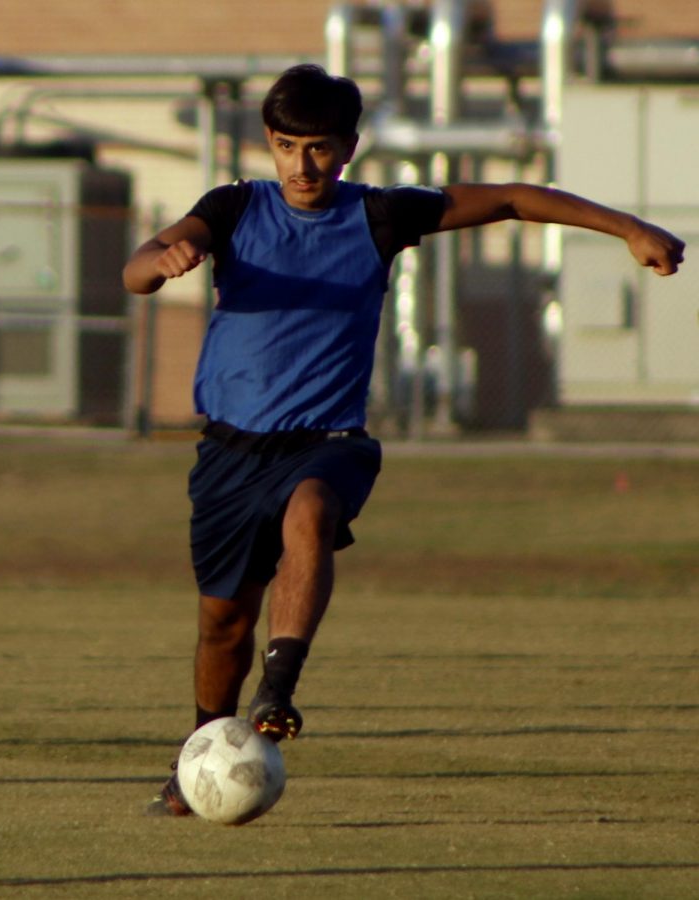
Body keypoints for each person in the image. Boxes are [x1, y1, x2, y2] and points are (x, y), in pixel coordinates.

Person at [122, 64, 685, 816]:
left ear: (349, 147)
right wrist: (156, 265)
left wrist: (630, 228)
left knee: (313, 512)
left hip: (327, 439)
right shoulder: (232, 208)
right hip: (227, 454)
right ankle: (199, 757)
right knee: (223, 622)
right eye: (287, 146)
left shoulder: (378, 217)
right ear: (269, 143)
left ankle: (279, 691)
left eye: (319, 148)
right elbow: (138, 268)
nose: (302, 165)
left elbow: (514, 198)